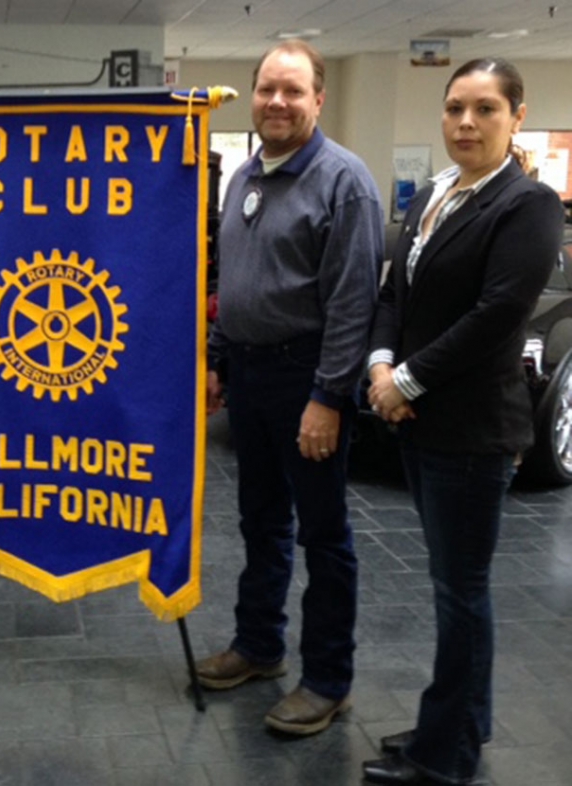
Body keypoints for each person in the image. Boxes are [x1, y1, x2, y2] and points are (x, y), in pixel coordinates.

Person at [362, 58, 565, 785]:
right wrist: (382, 364)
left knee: (461, 594)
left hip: (474, 432)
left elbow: (498, 315)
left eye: (485, 109)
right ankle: (460, 726)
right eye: (454, 109)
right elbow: (396, 292)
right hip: (418, 419)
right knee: (453, 589)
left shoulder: (527, 204)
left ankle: (443, 757)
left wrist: (407, 379)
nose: (466, 124)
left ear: (516, 116)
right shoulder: (437, 195)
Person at [195, 40, 384, 735]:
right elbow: (232, 281)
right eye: (267, 89)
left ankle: (329, 680)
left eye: (293, 91)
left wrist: (328, 397)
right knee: (261, 519)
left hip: (306, 374)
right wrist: (217, 357)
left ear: (318, 99)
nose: (278, 102)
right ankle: (259, 646)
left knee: (324, 536)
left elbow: (352, 303)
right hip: (246, 371)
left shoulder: (345, 182)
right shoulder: (245, 174)